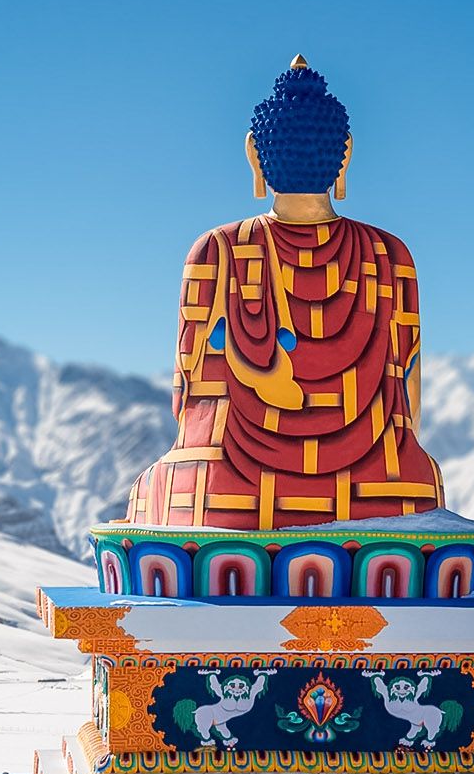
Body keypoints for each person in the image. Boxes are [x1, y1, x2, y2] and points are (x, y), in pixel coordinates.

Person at [124, 56, 444, 530]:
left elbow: (188, 395)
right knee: (419, 481)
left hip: (230, 488)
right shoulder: (389, 254)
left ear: (255, 155)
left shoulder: (217, 250)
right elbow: (409, 406)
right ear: (345, 154)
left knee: (171, 489)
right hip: (379, 485)